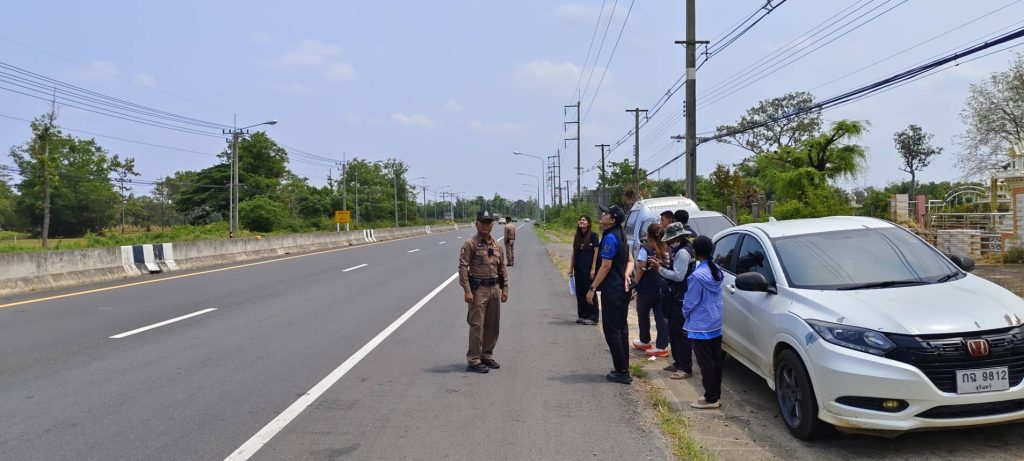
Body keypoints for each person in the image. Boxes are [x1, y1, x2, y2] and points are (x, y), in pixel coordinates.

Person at [586, 205, 635, 384]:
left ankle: (622, 372)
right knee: (621, 329)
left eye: (606, 213)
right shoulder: (621, 234)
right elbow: (630, 260)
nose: (602, 215)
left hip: (613, 290)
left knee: (612, 330)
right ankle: (623, 367)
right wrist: (626, 275)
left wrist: (592, 288)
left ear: (613, 219)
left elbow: (606, 266)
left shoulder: (610, 238)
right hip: (622, 289)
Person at [459, 210, 510, 374]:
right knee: (477, 325)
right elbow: (463, 268)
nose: (486, 226)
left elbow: (502, 267)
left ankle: (486, 355)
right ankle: (474, 359)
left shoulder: (497, 245)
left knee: (493, 325)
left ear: (492, 225)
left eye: (489, 223)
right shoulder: (470, 244)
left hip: (494, 288)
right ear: (477, 224)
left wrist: (505, 288)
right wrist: (467, 291)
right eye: (483, 222)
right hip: (478, 290)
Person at [648, 222, 695, 380]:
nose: (668, 242)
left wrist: (659, 269)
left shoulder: (682, 252)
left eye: (669, 239)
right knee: (673, 331)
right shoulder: (682, 248)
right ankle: (678, 362)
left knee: (680, 333)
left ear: (677, 238)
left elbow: (678, 276)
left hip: (681, 297)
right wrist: (662, 265)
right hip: (677, 295)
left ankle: (685, 367)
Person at [684, 236, 725, 409]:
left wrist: (684, 313)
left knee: (705, 362)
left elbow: (690, 302)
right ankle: (715, 394)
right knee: (716, 360)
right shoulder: (716, 269)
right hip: (715, 320)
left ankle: (711, 398)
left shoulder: (697, 275)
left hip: (700, 324)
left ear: (695, 251)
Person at [632, 223, 670, 357]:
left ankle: (645, 341)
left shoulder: (646, 248)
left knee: (643, 314)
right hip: (662, 287)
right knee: (661, 317)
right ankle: (662, 347)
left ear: (648, 234)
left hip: (647, 288)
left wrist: (634, 284)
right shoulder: (667, 248)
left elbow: (641, 268)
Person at [568, 215, 600, 325]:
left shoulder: (593, 235)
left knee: (589, 291)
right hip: (578, 269)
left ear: (588, 223)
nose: (581, 221)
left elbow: (596, 252)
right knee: (580, 292)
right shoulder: (577, 236)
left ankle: (593, 317)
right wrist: (571, 268)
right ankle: (582, 315)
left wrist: (593, 268)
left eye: (584, 220)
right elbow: (574, 253)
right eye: (580, 220)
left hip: (588, 269)